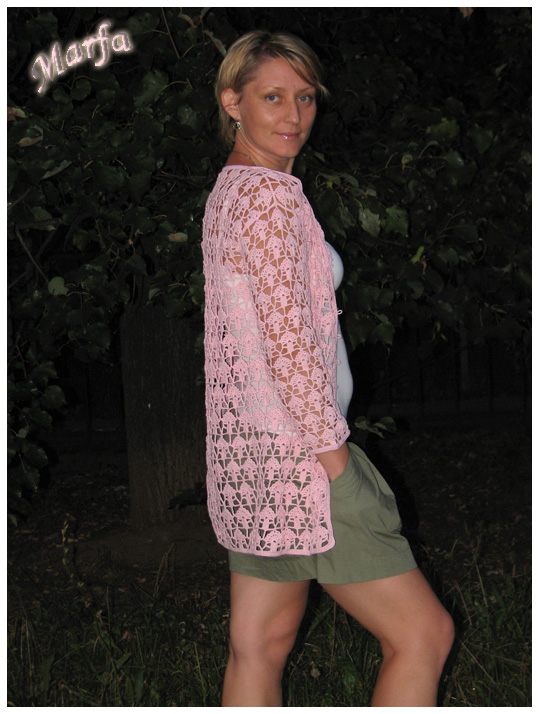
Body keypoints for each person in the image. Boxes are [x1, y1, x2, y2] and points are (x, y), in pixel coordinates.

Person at [201, 30, 454, 707]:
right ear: (232, 101)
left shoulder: (230, 190)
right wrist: (337, 465)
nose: (293, 116)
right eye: (272, 97)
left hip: (253, 460)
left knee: (258, 647)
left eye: (306, 97)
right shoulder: (270, 199)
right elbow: (288, 348)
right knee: (423, 635)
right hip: (305, 462)